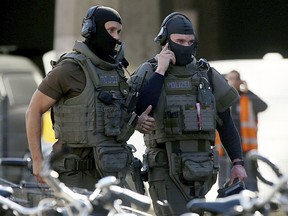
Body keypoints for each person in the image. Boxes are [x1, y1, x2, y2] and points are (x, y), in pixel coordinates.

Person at [25, 5, 155, 191]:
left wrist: (137, 121)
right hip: (76, 175)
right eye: (110, 30)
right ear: (91, 30)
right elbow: (33, 110)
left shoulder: (116, 70)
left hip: (112, 172)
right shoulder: (69, 69)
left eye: (118, 31)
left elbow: (116, 116)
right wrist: (37, 161)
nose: (116, 37)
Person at [129, 12, 247, 215]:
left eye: (189, 41)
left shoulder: (206, 74)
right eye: (179, 41)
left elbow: (226, 122)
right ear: (165, 41)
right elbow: (140, 107)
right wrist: (161, 71)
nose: (185, 46)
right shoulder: (150, 71)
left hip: (202, 168)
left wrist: (238, 162)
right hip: (165, 166)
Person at [216, 70, 268, 191]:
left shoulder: (247, 99)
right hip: (224, 150)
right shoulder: (222, 99)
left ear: (240, 81)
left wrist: (247, 90)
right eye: (230, 79)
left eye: (235, 79)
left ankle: (252, 205)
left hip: (245, 149)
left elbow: (263, 106)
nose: (233, 82)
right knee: (225, 183)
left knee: (249, 182)